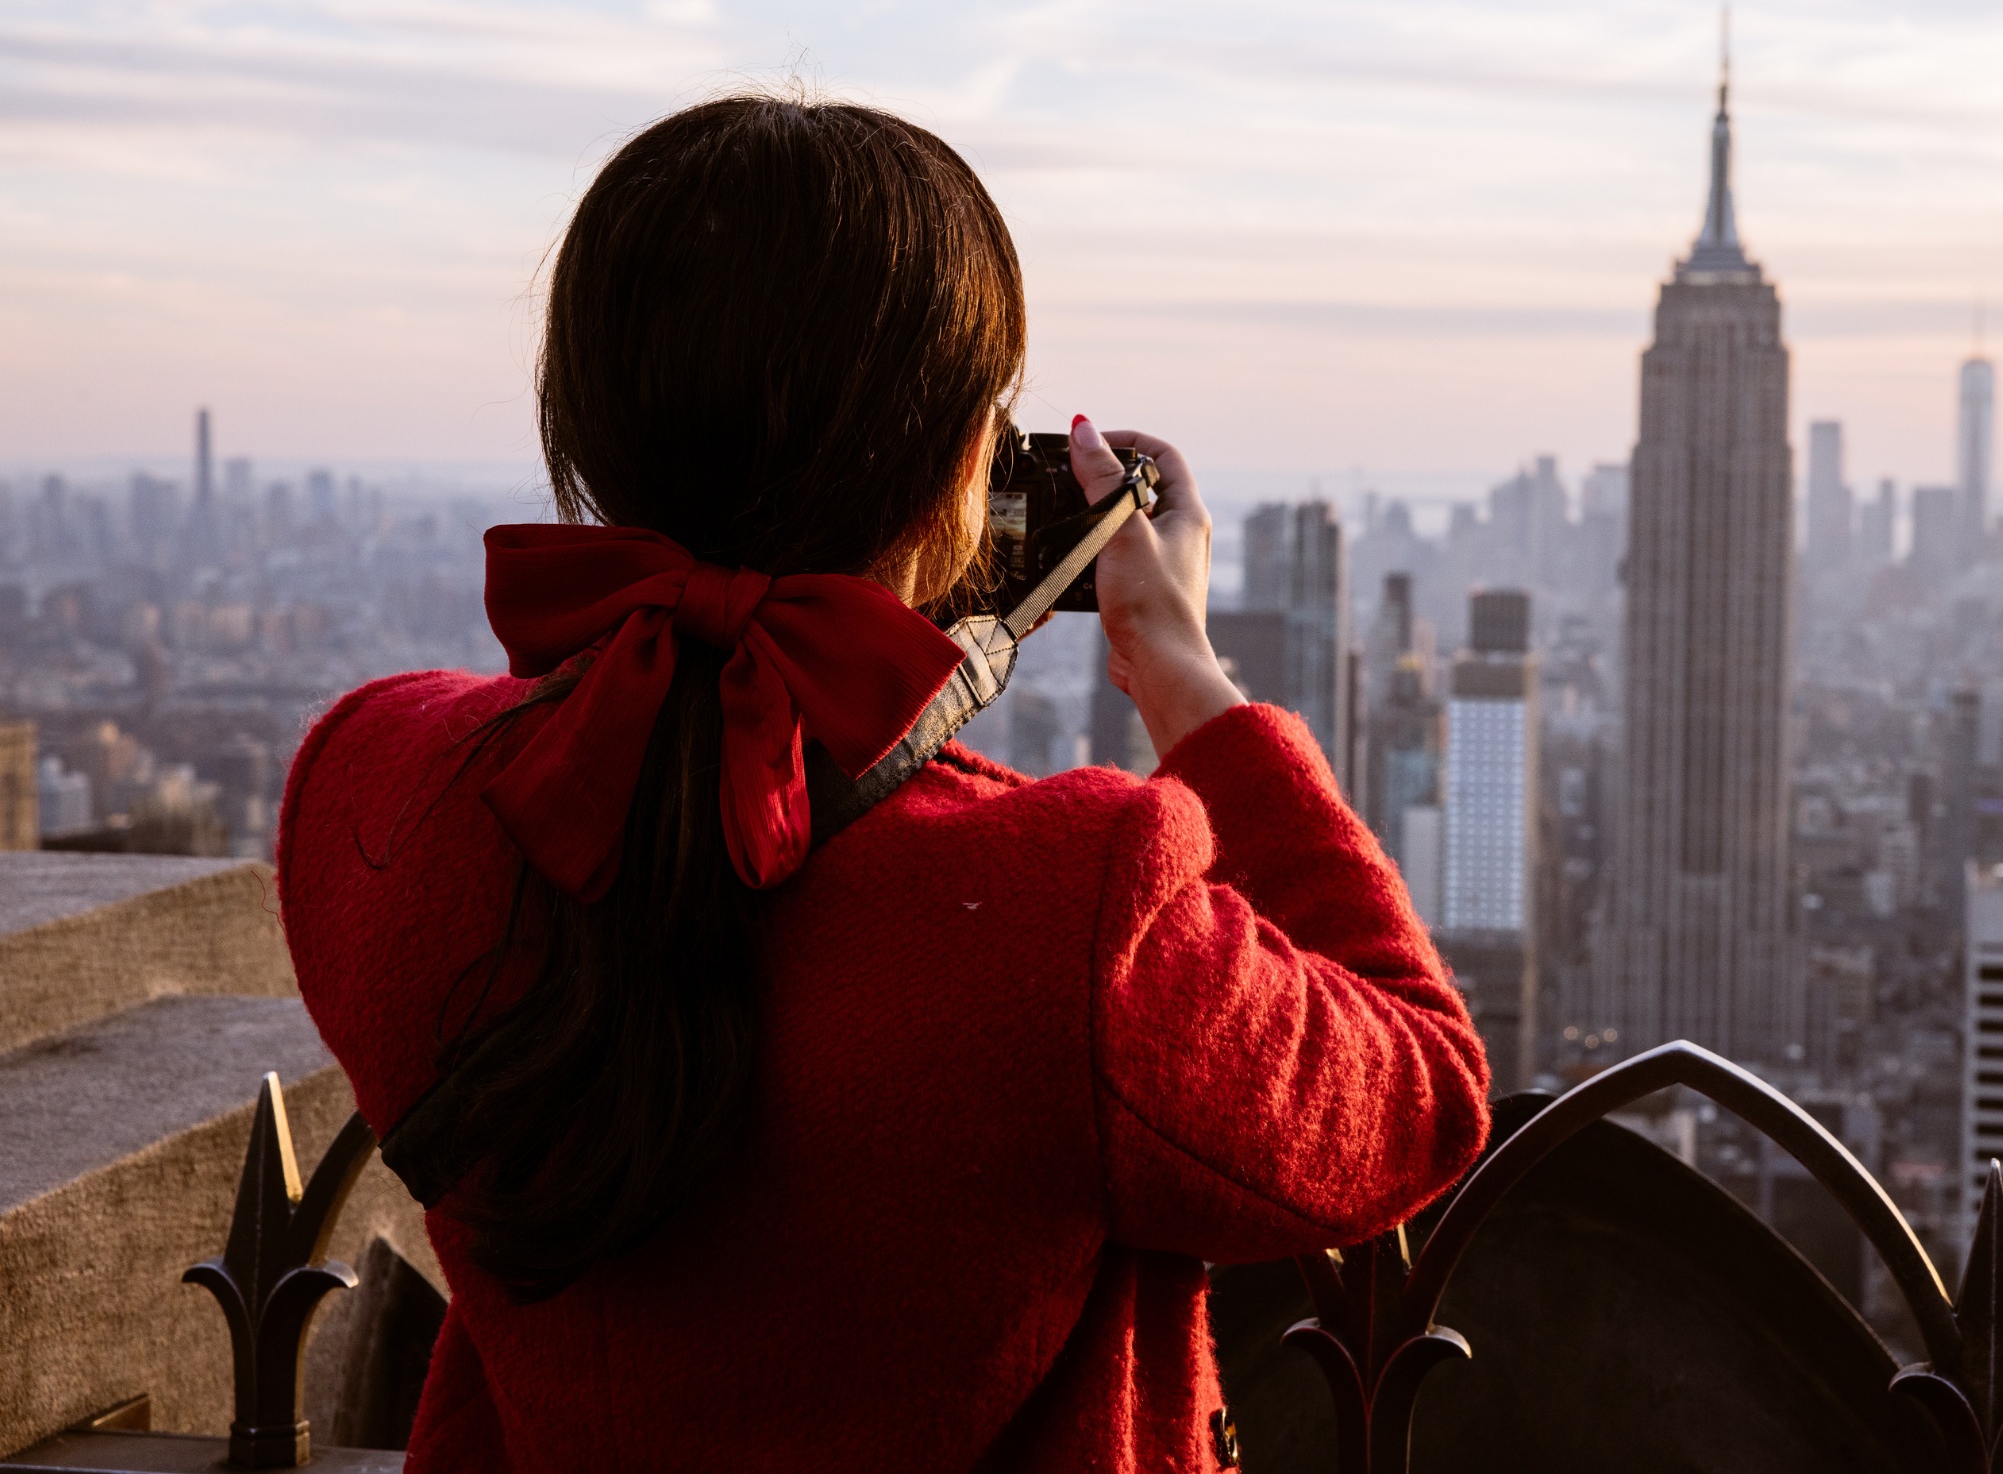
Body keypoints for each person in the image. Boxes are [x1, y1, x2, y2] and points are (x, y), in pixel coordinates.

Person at [278, 95, 1490, 1472]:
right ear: (965, 469)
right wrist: (1185, 677)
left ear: (582, 426)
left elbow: (654, 827)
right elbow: (1420, 1091)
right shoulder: (1070, 918)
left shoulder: (370, 792)